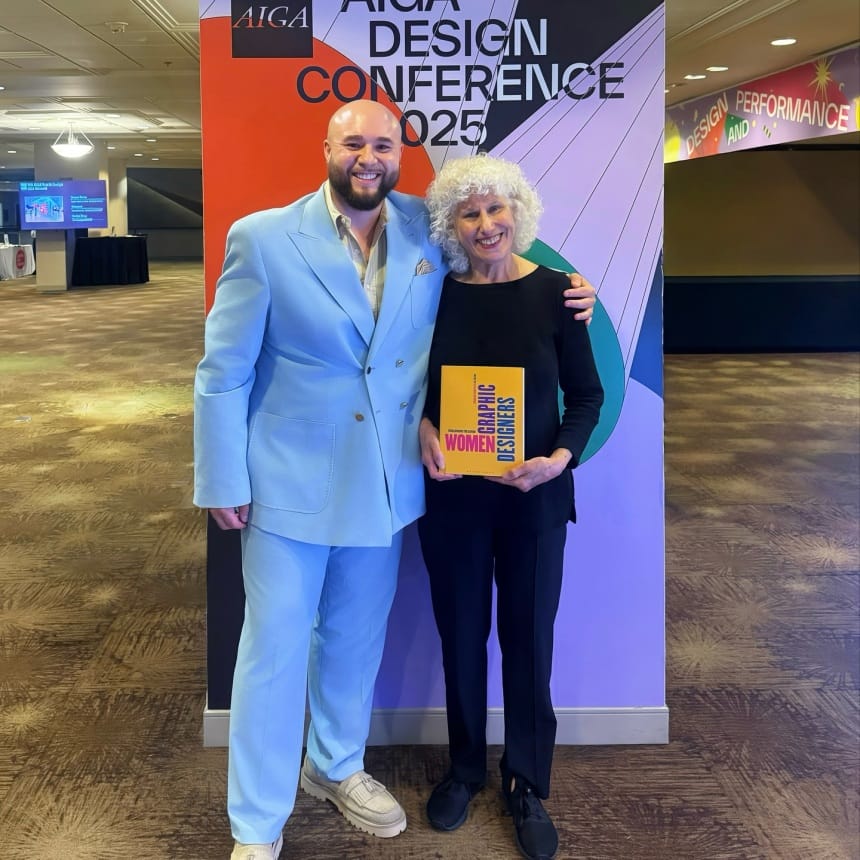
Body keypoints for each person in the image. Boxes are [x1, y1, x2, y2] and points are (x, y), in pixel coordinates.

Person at [194, 100, 596, 860]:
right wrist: (221, 478)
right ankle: (255, 826)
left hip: (384, 488)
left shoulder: (426, 229)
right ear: (327, 147)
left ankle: (336, 766)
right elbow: (222, 373)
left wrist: (579, 293)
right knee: (273, 653)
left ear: (398, 154)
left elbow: (501, 278)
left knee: (353, 640)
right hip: (285, 487)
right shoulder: (264, 238)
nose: (368, 156)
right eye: (354, 143)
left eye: (383, 143)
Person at [417, 154, 604, 860]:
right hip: (454, 499)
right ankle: (465, 769)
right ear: (451, 225)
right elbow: (409, 392)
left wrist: (558, 460)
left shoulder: (561, 293)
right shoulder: (432, 295)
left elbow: (586, 397)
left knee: (529, 640)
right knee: (461, 637)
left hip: (535, 501)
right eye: (469, 213)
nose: (486, 225)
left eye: (496, 210)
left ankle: (525, 781)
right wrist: (423, 428)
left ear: (517, 213)